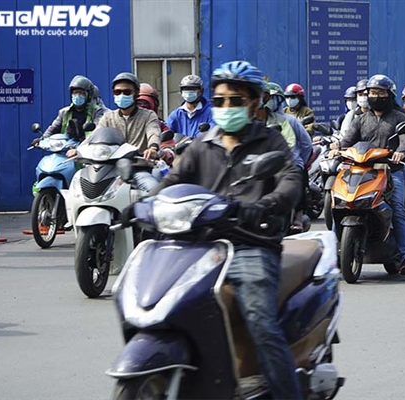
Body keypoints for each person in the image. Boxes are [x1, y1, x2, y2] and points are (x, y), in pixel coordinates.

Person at [151, 60, 303, 399]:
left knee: (261, 324)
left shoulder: (271, 143)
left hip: (250, 245)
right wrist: (144, 203)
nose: (226, 107)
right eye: (219, 100)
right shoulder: (201, 146)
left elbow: (290, 183)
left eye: (235, 100)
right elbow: (171, 182)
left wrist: (262, 206)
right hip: (196, 247)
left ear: (253, 102)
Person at [332, 74, 405, 275]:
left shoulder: (400, 118)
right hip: (361, 170)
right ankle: (332, 254)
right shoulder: (361, 120)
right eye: (372, 92)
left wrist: (401, 153)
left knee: (396, 208)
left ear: (389, 95)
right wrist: (338, 149)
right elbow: (347, 141)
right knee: (340, 204)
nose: (375, 96)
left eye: (380, 93)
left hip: (389, 170)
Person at [259, 81, 313, 232]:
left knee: (298, 178)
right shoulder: (258, 120)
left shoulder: (289, 121)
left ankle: (298, 216)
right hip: (267, 164)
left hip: (291, 162)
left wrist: (299, 160)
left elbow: (306, 145)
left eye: (270, 98)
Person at [97, 72, 161, 191]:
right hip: (110, 170)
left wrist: (152, 148)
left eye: (127, 92)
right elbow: (95, 136)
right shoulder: (108, 117)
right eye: (117, 92)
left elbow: (154, 132)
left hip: (138, 168)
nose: (122, 95)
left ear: (136, 94)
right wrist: (78, 149)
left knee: (155, 191)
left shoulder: (148, 115)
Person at [37, 75, 105, 157]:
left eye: (81, 93)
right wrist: (42, 139)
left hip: (87, 152)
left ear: (88, 95)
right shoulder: (64, 112)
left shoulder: (97, 112)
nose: (77, 96)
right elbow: (53, 128)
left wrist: (80, 149)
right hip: (66, 150)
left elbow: (97, 131)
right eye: (75, 93)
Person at [166, 74, 215, 139]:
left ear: (201, 91)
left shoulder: (211, 113)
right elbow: (166, 133)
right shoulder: (175, 115)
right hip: (179, 148)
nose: (189, 92)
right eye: (186, 89)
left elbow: (213, 133)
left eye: (193, 89)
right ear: (181, 92)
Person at [136, 83, 175, 166]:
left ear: (154, 105)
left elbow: (168, 146)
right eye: (138, 103)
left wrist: (164, 153)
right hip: (127, 165)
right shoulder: (126, 123)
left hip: (153, 167)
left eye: (145, 103)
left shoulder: (161, 126)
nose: (142, 106)